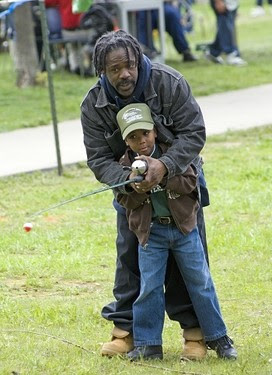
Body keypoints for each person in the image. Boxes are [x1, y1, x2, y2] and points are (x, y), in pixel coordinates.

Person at [81, 29, 211, 361]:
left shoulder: (170, 83)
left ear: (138, 60)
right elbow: (98, 159)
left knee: (189, 260)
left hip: (181, 184)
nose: (125, 74)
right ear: (102, 71)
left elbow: (194, 132)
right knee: (129, 256)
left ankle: (195, 335)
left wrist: (164, 166)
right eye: (115, 69)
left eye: (130, 65)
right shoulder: (93, 105)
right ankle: (125, 332)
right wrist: (128, 180)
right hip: (132, 193)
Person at [114, 102, 237, 361]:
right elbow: (123, 200)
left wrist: (161, 173)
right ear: (126, 140)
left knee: (200, 283)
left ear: (155, 132)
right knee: (150, 287)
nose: (142, 141)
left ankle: (219, 338)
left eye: (145, 134)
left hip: (184, 230)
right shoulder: (125, 165)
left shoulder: (173, 154)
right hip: (151, 235)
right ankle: (148, 344)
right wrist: (135, 188)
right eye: (133, 137)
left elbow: (190, 181)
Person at [204, 0, 247, 66]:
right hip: (223, 2)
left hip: (231, 3)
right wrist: (218, 1)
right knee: (225, 25)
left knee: (225, 28)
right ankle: (231, 53)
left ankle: (214, 51)